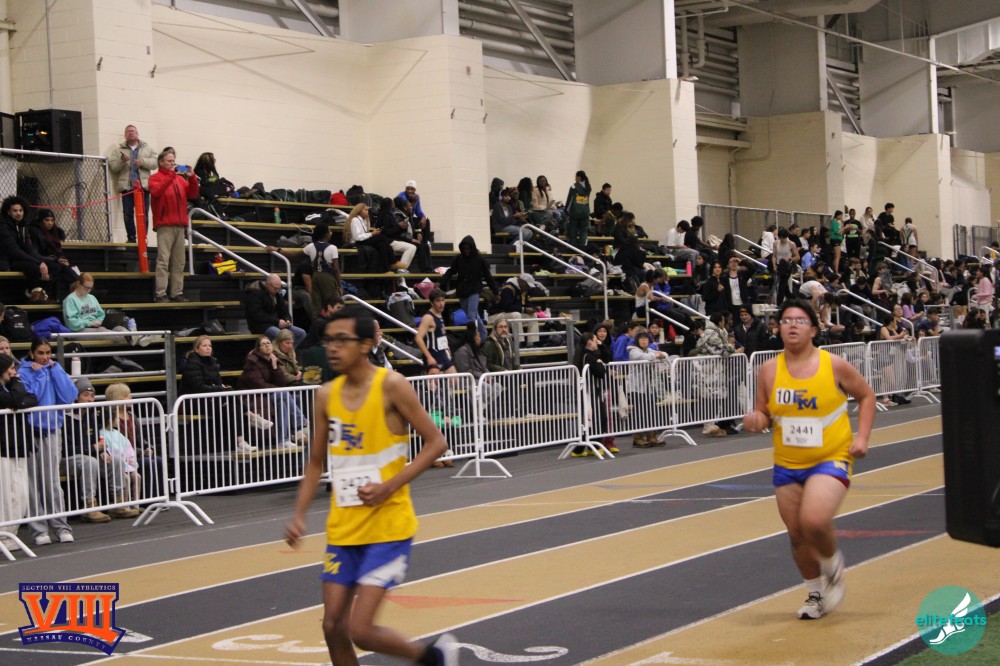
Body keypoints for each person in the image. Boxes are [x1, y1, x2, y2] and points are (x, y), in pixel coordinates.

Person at [284, 306, 457, 666]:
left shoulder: (391, 385)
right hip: (344, 527)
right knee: (333, 627)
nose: (332, 348)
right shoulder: (325, 395)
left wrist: (389, 487)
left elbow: (436, 443)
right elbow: (315, 463)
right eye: (328, 341)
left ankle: (433, 658)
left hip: (387, 527)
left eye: (342, 340)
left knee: (360, 630)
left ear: (365, 344)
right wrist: (299, 515)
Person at [743, 299, 875, 620]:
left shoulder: (834, 365)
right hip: (788, 463)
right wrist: (757, 419)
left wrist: (862, 437)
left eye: (800, 320)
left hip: (831, 456)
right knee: (797, 534)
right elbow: (763, 411)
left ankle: (832, 565)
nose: (791, 325)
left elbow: (866, 395)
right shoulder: (769, 370)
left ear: (814, 330)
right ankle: (815, 594)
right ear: (778, 328)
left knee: (814, 521)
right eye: (786, 320)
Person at [19, 337, 79, 546]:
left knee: (52, 482)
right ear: (32, 353)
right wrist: (39, 376)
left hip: (53, 431)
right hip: (30, 432)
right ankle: (39, 531)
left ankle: (61, 527)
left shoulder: (55, 368)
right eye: (40, 353)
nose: (44, 357)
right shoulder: (24, 372)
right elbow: (31, 399)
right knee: (32, 483)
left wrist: (56, 371)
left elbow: (69, 396)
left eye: (47, 353)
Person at [181, 335, 258, 453]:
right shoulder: (192, 364)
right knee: (229, 396)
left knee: (233, 407)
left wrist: (220, 388)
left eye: (210, 346)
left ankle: (241, 442)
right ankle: (250, 415)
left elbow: (218, 383)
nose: (208, 348)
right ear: (197, 349)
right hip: (195, 401)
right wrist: (219, 388)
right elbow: (199, 387)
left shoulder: (212, 362)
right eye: (204, 346)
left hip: (211, 398)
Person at [0, 196, 78, 302]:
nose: (18, 213)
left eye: (20, 210)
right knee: (35, 267)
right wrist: (39, 262)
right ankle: (34, 294)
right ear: (8, 212)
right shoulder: (3, 226)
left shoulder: (22, 226)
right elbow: (14, 251)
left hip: (20, 258)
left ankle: (77, 292)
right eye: (15, 211)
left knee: (56, 266)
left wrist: (51, 260)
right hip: (7, 260)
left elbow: (29, 249)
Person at [237, 336, 308, 449]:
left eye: (269, 343)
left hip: (269, 393)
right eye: (263, 344)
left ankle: (283, 440)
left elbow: (282, 382)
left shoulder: (273, 359)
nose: (267, 346)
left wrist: (275, 367)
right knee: (283, 394)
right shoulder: (252, 362)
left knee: (284, 402)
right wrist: (276, 389)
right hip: (254, 395)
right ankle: (300, 422)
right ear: (258, 348)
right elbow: (258, 384)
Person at [149, 147, 200, 303]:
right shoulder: (155, 178)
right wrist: (171, 175)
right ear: (161, 162)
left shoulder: (179, 179)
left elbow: (193, 194)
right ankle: (161, 293)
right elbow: (156, 192)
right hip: (164, 224)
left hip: (180, 224)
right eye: (170, 161)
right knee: (163, 260)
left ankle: (177, 292)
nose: (173, 163)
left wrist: (192, 178)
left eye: (174, 161)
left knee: (179, 262)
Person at [0, 353, 37, 552]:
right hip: (3, 449)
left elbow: (31, 398)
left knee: (21, 493)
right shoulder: (10, 387)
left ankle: (11, 532)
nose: (15, 373)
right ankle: (3, 532)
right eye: (11, 369)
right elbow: (14, 398)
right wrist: (16, 390)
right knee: (6, 494)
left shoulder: (10, 388)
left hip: (18, 446)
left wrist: (17, 402)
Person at [269, 223, 342, 317]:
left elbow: (293, 255)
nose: (331, 233)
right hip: (328, 278)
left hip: (315, 277)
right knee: (332, 303)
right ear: (325, 233)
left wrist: (277, 249)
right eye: (329, 231)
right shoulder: (333, 248)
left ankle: (317, 323)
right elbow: (336, 269)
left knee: (317, 306)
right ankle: (332, 323)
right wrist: (340, 285)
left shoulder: (311, 246)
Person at [441, 236, 497, 341]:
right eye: (464, 249)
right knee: (473, 315)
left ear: (472, 248)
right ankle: (483, 335)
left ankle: (473, 340)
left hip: (474, 290)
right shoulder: (458, 259)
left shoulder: (480, 259)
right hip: (462, 291)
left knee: (471, 316)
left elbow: (488, 277)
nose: (466, 251)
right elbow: (451, 271)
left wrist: (496, 291)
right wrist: (441, 283)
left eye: (468, 248)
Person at [107, 124, 156, 243]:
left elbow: (155, 163)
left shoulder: (148, 149)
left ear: (137, 134)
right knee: (127, 214)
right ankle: (131, 237)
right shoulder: (118, 151)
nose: (131, 133)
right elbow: (113, 167)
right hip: (127, 188)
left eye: (133, 131)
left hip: (143, 187)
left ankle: (143, 237)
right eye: (128, 131)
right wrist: (122, 162)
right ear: (125, 135)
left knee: (144, 214)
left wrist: (142, 162)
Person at [245, 274, 307, 349]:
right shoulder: (254, 294)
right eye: (275, 288)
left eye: (279, 288)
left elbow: (284, 310)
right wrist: (277, 321)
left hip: (276, 323)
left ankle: (286, 353)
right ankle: (280, 353)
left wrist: (287, 320)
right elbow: (257, 315)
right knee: (281, 335)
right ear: (268, 284)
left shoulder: (277, 294)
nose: (277, 290)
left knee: (301, 333)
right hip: (260, 325)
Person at [414, 289, 456, 375]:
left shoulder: (440, 314)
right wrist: (429, 357)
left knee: (455, 380)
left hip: (442, 353)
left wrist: (446, 345)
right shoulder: (428, 317)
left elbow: (439, 333)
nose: (441, 303)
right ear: (432, 303)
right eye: (438, 301)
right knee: (434, 382)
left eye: (443, 300)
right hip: (433, 355)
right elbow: (418, 338)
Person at [28, 208, 79, 276]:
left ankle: (78, 282)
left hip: (54, 260)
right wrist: (56, 260)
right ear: (41, 221)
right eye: (47, 220)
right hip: (42, 261)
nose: (50, 223)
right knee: (59, 268)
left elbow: (58, 250)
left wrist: (62, 259)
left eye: (52, 220)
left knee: (69, 269)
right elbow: (36, 253)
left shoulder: (54, 232)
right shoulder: (34, 232)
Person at [564, 170, 592, 249]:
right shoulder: (588, 187)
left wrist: (566, 210)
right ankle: (582, 249)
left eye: (576, 177)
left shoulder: (574, 187)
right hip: (585, 212)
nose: (575, 178)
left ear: (579, 177)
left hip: (575, 212)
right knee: (583, 232)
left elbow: (570, 200)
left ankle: (573, 249)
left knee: (573, 232)